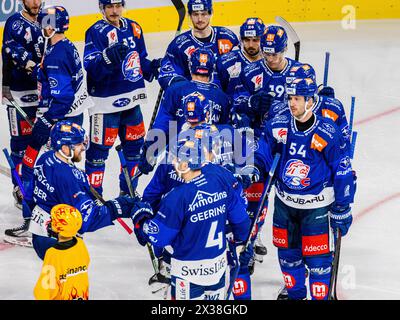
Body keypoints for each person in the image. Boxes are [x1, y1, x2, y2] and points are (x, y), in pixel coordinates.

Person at [5, 5, 92, 245]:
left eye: (44, 22)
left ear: (52, 25)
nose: (42, 26)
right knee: (57, 171)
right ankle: (69, 222)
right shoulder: (60, 46)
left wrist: (46, 119)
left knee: (38, 167)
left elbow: (62, 97)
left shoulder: (56, 55)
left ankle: (41, 223)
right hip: (69, 117)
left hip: (62, 119)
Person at [262, 78, 355, 300]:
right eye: (290, 98)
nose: (292, 103)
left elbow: (342, 170)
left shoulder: (327, 131)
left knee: (319, 263)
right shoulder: (278, 125)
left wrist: (342, 206)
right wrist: (255, 167)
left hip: (317, 210)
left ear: (310, 102)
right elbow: (263, 152)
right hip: (285, 207)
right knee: (288, 258)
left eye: (297, 99)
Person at [131, 137, 251, 300]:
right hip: (218, 269)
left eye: (175, 158)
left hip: (188, 274)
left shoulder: (177, 197)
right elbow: (241, 220)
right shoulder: (219, 178)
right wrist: (242, 243)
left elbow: (159, 238)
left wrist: (141, 220)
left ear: (185, 164)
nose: (172, 161)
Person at [27, 120, 142, 260]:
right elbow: (86, 220)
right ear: (64, 148)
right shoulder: (68, 178)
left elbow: (29, 194)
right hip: (59, 242)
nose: (82, 147)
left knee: (53, 280)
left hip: (41, 234)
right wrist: (118, 207)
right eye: (78, 144)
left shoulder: (46, 158)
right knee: (71, 280)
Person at [83, 0, 161, 195]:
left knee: (134, 149)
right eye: (109, 6)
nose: (114, 11)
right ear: (102, 8)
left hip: (132, 102)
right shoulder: (95, 31)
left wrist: (152, 67)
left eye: (118, 5)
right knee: (98, 154)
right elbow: (90, 66)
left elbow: (140, 59)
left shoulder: (134, 28)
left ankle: (128, 194)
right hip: (105, 106)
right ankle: (94, 197)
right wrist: (107, 58)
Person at [138, 47, 231, 175]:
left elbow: (162, 126)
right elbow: (224, 133)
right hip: (208, 166)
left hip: (177, 163)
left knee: (160, 193)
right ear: (212, 69)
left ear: (190, 66)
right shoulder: (223, 98)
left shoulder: (175, 90)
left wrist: (149, 153)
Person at [158, 0, 239, 90]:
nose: (200, 19)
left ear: (211, 13)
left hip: (224, 98)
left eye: (203, 14)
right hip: (195, 99)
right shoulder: (179, 45)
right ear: (190, 15)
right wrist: (182, 87)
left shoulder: (227, 37)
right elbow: (166, 75)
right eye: (196, 14)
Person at [34, 204, 90, 300]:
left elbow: (46, 288)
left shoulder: (53, 253)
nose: (50, 223)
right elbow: (86, 260)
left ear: (58, 227)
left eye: (52, 221)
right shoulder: (80, 244)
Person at [216, 17, 265, 98]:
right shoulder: (226, 62)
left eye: (255, 40)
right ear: (241, 39)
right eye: (247, 40)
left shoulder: (272, 62)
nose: (251, 45)